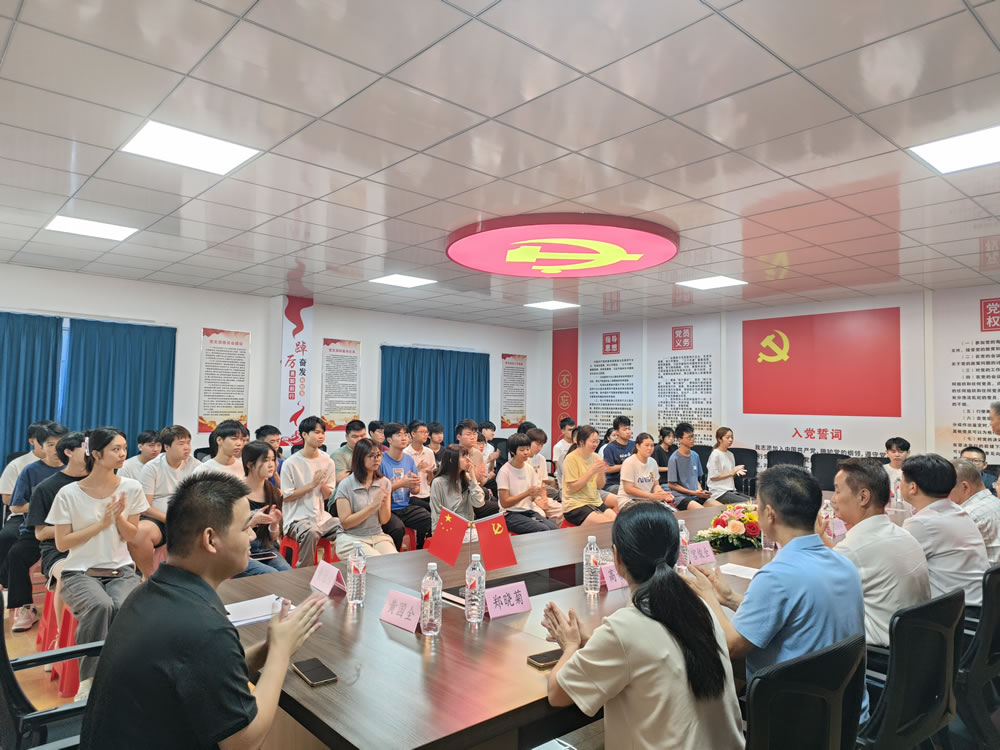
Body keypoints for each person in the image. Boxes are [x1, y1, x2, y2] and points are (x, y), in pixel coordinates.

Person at [79, 472, 327, 750]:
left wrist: (269, 647)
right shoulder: (203, 627)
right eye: (246, 528)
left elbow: (205, 671)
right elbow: (244, 742)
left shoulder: (152, 592)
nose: (251, 536)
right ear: (210, 539)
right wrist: (280, 653)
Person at [542, 502, 744, 750]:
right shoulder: (701, 608)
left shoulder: (625, 628)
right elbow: (649, 652)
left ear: (617, 558)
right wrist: (592, 644)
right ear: (675, 553)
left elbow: (558, 694)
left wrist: (571, 646)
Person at [687, 465, 867, 719]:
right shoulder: (843, 564)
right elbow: (793, 612)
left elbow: (732, 646)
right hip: (847, 713)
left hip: (795, 721)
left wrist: (707, 596)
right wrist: (728, 598)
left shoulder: (777, 575)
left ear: (769, 514)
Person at [46, 427, 147, 700]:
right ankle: (88, 681)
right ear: (97, 454)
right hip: (79, 571)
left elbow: (132, 536)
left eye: (124, 447)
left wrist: (118, 518)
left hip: (120, 569)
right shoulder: (68, 493)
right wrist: (101, 524)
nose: (123, 453)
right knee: (101, 606)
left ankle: (122, 675)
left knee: (123, 607)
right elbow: (62, 544)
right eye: (116, 449)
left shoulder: (131, 488)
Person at [818, 458, 930, 647]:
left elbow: (814, 588)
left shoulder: (857, 547)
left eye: (837, 491)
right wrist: (821, 538)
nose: (833, 499)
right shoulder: (901, 534)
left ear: (863, 497)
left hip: (877, 654)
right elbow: (843, 558)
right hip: (914, 648)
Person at [901, 454, 988, 608]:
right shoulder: (956, 511)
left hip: (959, 614)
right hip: (978, 607)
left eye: (901, 480)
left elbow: (895, 567)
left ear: (912, 487)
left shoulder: (922, 523)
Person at [4, 423, 67, 631]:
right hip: (36, 527)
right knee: (16, 555)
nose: (56, 449)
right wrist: (43, 505)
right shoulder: (30, 471)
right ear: (40, 446)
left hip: (69, 528)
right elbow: (16, 505)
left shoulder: (75, 469)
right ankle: (26, 607)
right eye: (50, 444)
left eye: (60, 444)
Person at [26, 432, 88, 644]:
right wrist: (75, 528)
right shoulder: (46, 488)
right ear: (69, 452)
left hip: (94, 544)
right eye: (86, 448)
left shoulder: (99, 482)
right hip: (58, 549)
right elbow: (40, 533)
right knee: (67, 574)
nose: (91, 453)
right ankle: (62, 637)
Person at [133, 425, 199, 578]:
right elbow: (145, 506)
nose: (187, 447)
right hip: (159, 519)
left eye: (188, 442)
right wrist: (170, 519)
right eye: (181, 443)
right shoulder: (152, 468)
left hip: (187, 519)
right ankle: (149, 576)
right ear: (167, 447)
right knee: (141, 532)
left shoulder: (196, 466)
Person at [280, 416, 340, 566]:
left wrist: (322, 484)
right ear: (304, 435)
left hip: (321, 518)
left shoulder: (328, 461)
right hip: (296, 520)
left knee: (346, 525)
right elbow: (286, 497)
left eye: (323, 433)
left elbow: (327, 495)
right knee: (311, 532)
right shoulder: (290, 463)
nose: (321, 436)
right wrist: (312, 485)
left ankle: (337, 569)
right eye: (317, 432)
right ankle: (304, 573)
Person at [333, 438, 397, 557]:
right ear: (360, 458)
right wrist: (373, 506)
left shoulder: (385, 483)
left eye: (378, 455)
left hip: (377, 536)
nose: (376, 459)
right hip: (351, 537)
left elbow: (384, 520)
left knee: (393, 560)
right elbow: (346, 523)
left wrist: (382, 504)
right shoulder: (346, 485)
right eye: (371, 456)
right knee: (375, 561)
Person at [240, 440, 290, 572]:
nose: (271, 464)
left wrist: (274, 524)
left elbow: (273, 537)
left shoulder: (274, 492)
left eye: (273, 459)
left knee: (286, 573)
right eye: (265, 460)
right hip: (241, 550)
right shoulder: (236, 493)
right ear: (250, 464)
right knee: (271, 574)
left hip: (267, 548)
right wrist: (252, 522)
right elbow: (229, 535)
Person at [379, 422, 431, 550]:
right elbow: (378, 493)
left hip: (405, 507)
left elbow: (416, 490)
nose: (404, 438)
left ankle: (421, 550)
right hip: (387, 509)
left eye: (405, 435)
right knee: (397, 528)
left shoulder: (409, 459)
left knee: (429, 519)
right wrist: (400, 484)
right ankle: (394, 556)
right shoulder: (380, 460)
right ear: (389, 440)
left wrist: (413, 486)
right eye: (399, 435)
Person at [496, 434, 558, 534]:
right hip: (509, 513)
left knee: (554, 529)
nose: (526, 453)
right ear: (513, 452)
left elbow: (532, 498)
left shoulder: (529, 469)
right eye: (522, 450)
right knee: (543, 530)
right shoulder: (504, 472)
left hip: (527, 510)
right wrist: (527, 493)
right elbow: (505, 503)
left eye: (527, 449)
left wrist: (536, 494)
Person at [562, 426, 618, 526]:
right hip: (575, 505)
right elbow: (573, 487)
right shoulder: (571, 459)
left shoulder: (596, 457)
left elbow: (600, 486)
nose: (595, 444)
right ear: (581, 442)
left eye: (597, 441)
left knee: (617, 522)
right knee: (608, 525)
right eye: (592, 441)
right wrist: (592, 471)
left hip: (595, 501)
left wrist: (600, 472)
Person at [950, 458, 1000, 566]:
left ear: (965, 486)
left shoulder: (966, 515)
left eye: (947, 488)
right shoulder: (996, 502)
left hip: (981, 574)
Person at [429, 444, 485, 533]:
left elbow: (479, 503)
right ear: (452, 460)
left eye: (468, 455)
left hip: (467, 528)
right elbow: (437, 514)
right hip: (446, 529)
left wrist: (473, 477)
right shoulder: (438, 482)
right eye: (464, 456)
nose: (468, 459)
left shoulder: (467, 479)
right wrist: (461, 525)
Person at [0, 420, 53, 506]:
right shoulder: (16, 465)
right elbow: (7, 498)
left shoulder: (66, 463)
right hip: (26, 512)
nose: (47, 444)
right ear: (31, 441)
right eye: (42, 440)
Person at [667, 422, 718, 509]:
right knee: (701, 511)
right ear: (680, 439)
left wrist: (700, 490)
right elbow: (671, 484)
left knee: (719, 508)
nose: (692, 439)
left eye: (693, 436)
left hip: (696, 495)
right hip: (681, 497)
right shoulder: (674, 458)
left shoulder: (695, 455)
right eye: (689, 437)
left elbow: (695, 478)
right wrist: (692, 492)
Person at [456, 419, 498, 517]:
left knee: (499, 507)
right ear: (458, 437)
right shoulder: (453, 453)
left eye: (474, 434)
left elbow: (481, 482)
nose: (473, 437)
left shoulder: (478, 454)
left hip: (475, 495)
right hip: (458, 497)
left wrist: (481, 477)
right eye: (468, 434)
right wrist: (473, 475)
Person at [619, 432, 674, 508]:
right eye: (647, 445)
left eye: (652, 445)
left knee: (671, 512)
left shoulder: (653, 462)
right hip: (629, 500)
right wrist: (652, 496)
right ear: (638, 446)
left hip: (648, 499)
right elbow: (628, 489)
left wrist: (661, 493)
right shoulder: (629, 462)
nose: (650, 448)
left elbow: (655, 484)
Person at [526, 428, 563, 522]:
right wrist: (537, 501)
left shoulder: (541, 459)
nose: (540, 448)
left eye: (542, 445)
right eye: (537, 444)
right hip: (527, 498)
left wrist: (545, 498)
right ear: (528, 442)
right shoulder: (522, 460)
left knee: (563, 510)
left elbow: (542, 483)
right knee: (541, 514)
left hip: (540, 496)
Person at [706, 427, 747, 504]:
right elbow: (713, 477)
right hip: (718, 492)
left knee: (753, 501)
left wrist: (736, 471)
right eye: (727, 437)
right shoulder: (715, 454)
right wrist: (732, 472)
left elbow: (731, 475)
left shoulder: (730, 454)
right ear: (719, 439)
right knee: (747, 503)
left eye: (732, 437)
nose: (731, 440)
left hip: (730, 490)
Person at [404, 420, 436, 512]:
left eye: (426, 432)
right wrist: (416, 468)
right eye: (422, 432)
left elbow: (430, 481)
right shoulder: (405, 453)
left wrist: (430, 473)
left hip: (427, 493)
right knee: (432, 510)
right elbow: (403, 478)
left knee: (441, 509)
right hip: (412, 496)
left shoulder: (429, 452)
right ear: (413, 434)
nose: (425, 435)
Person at [601, 416, 635, 493]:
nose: (628, 432)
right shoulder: (609, 448)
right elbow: (608, 469)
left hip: (631, 482)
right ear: (617, 432)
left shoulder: (633, 445)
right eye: (624, 429)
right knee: (628, 491)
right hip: (614, 483)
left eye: (629, 429)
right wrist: (627, 464)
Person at [332, 419, 366, 490]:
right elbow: (340, 478)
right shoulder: (338, 454)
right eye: (355, 437)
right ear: (347, 437)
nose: (359, 439)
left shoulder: (369, 451)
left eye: (362, 436)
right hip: (344, 492)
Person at [254, 424, 283, 490]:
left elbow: (284, 489)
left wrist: (275, 473)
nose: (276, 445)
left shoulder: (281, 463)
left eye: (278, 441)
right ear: (261, 443)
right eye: (272, 442)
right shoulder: (252, 462)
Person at [883, 436, 910, 505]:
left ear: (908, 453)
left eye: (901, 452)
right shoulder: (880, 470)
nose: (897, 455)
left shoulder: (913, 471)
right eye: (893, 451)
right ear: (887, 452)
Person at [551, 417, 575, 488]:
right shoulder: (558, 446)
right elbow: (559, 467)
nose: (572, 432)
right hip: (562, 477)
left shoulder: (577, 444)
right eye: (570, 430)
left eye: (574, 429)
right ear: (563, 431)